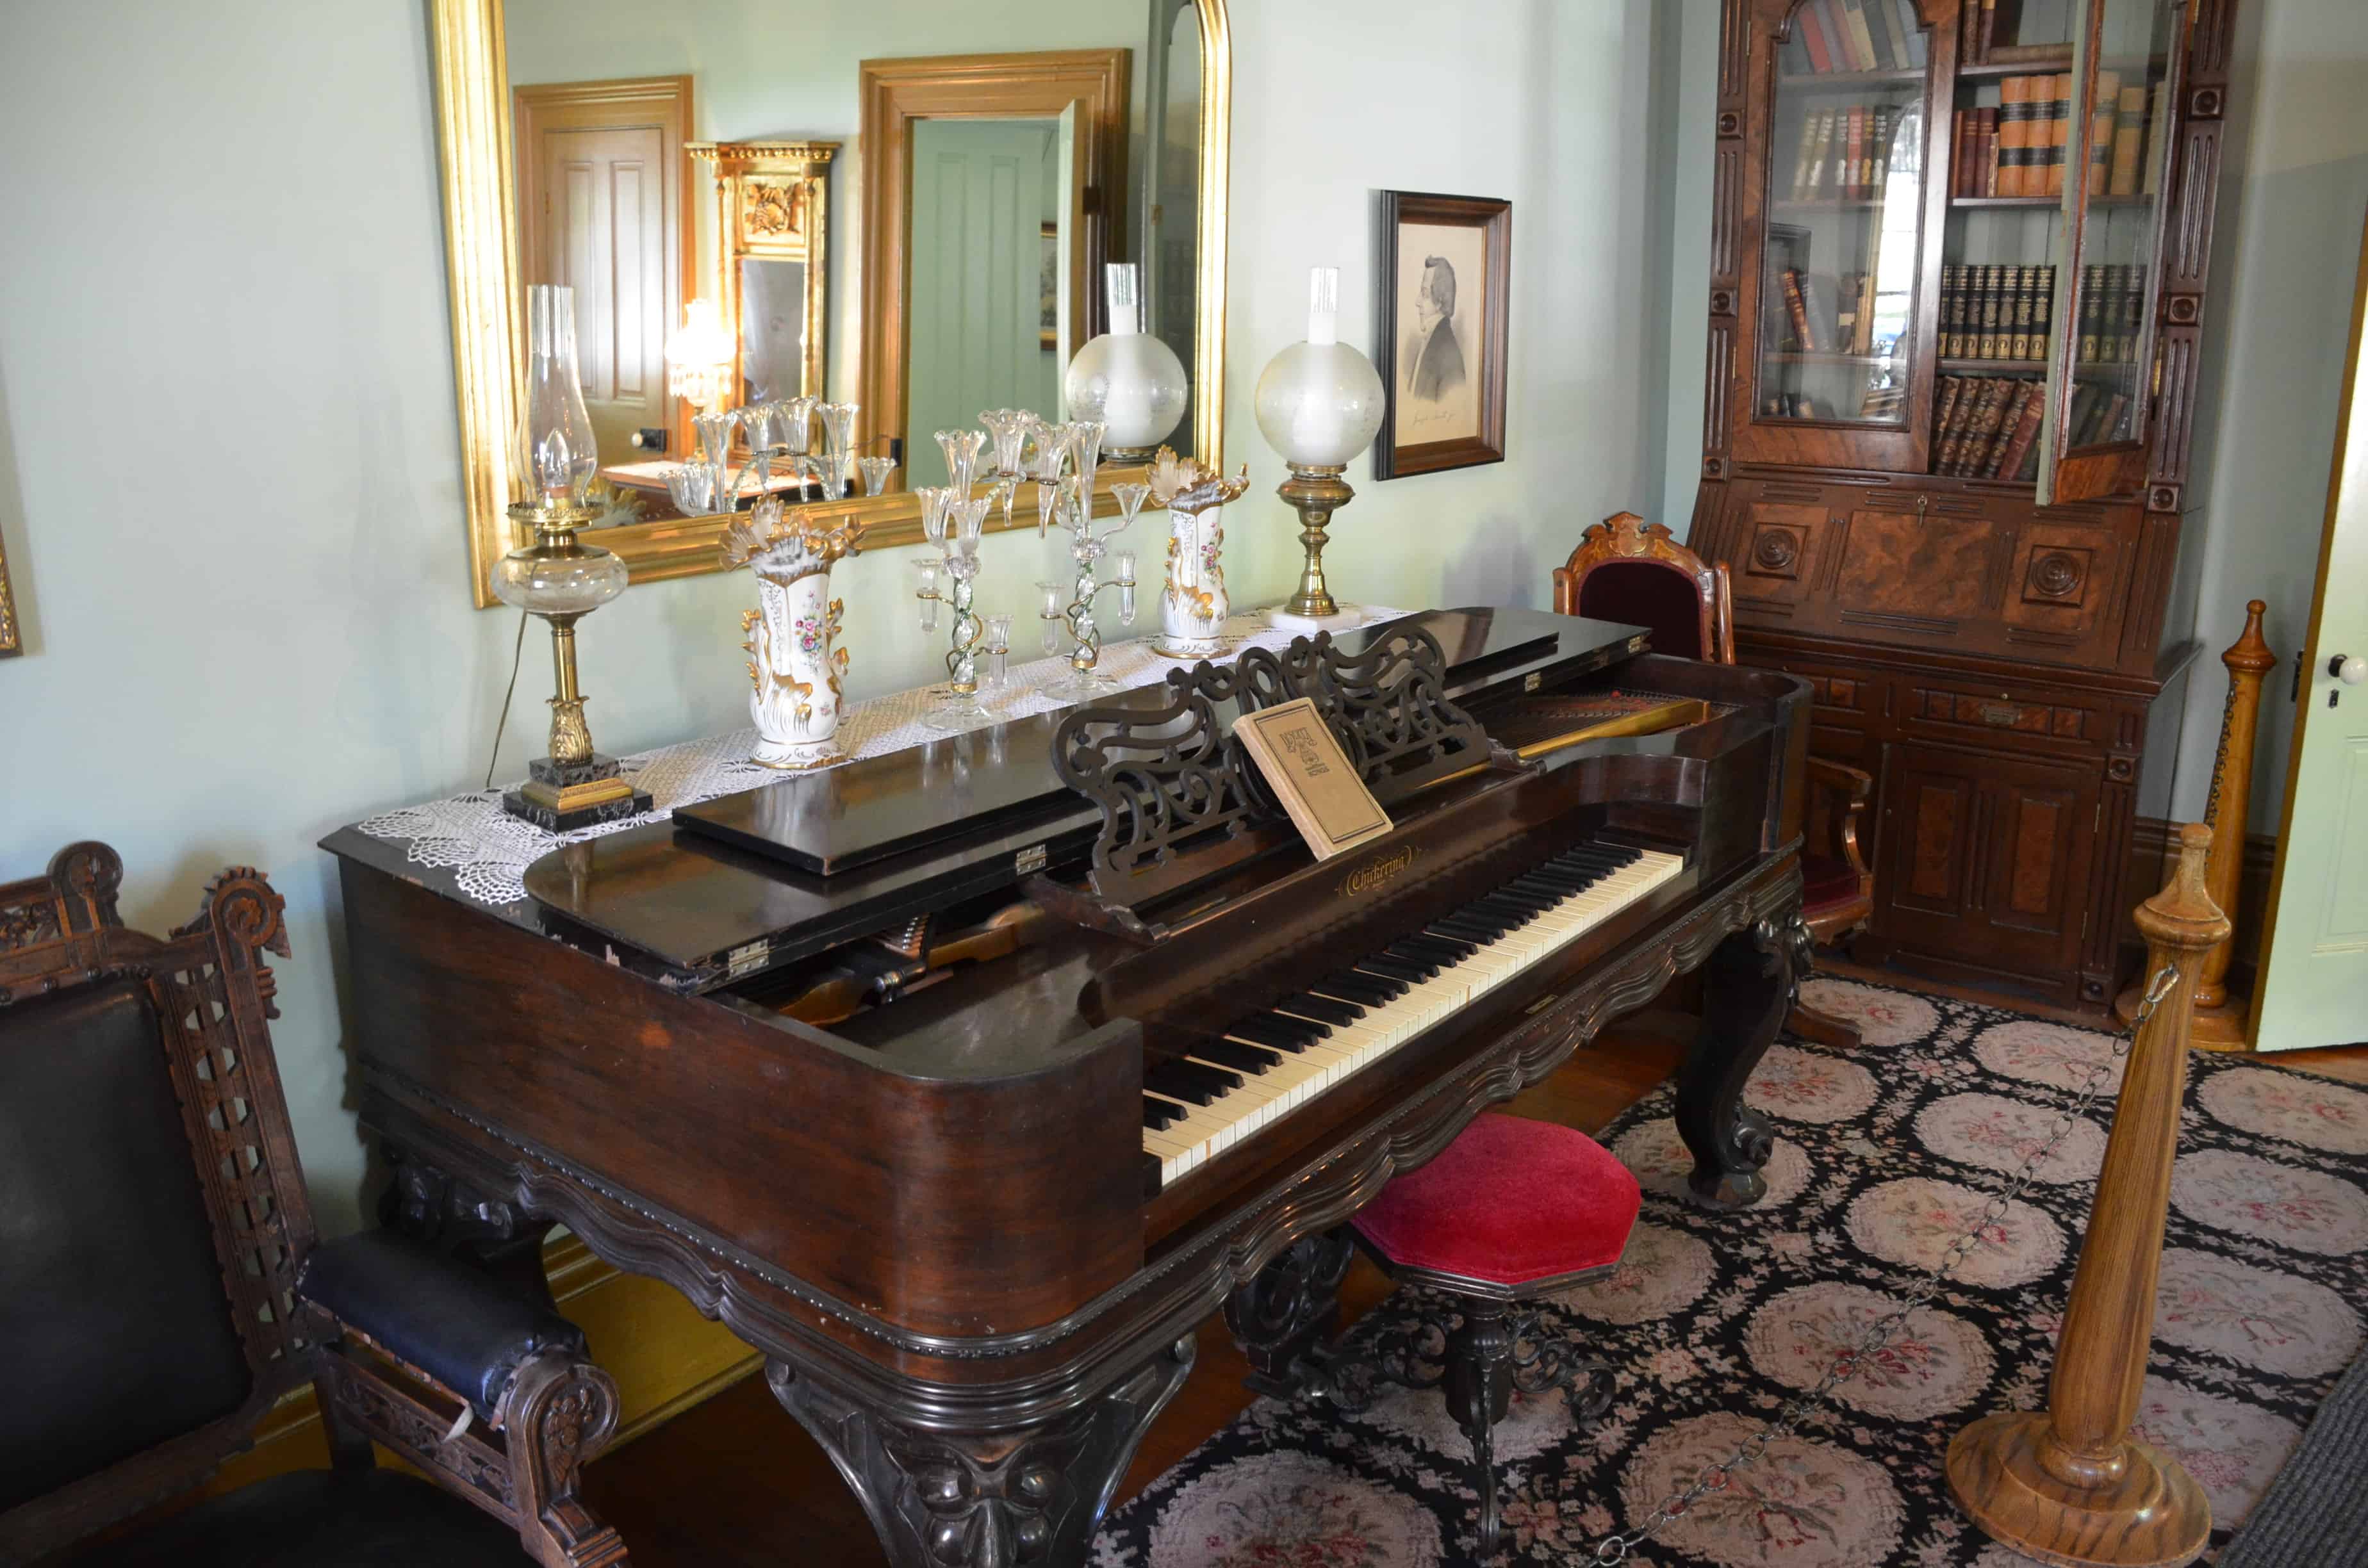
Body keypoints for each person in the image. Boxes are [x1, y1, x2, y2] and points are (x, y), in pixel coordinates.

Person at [1406, 255, 1467, 403]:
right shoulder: (1430, 340)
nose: (1417, 301)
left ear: (1440, 300)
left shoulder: (1449, 357)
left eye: (1425, 293)